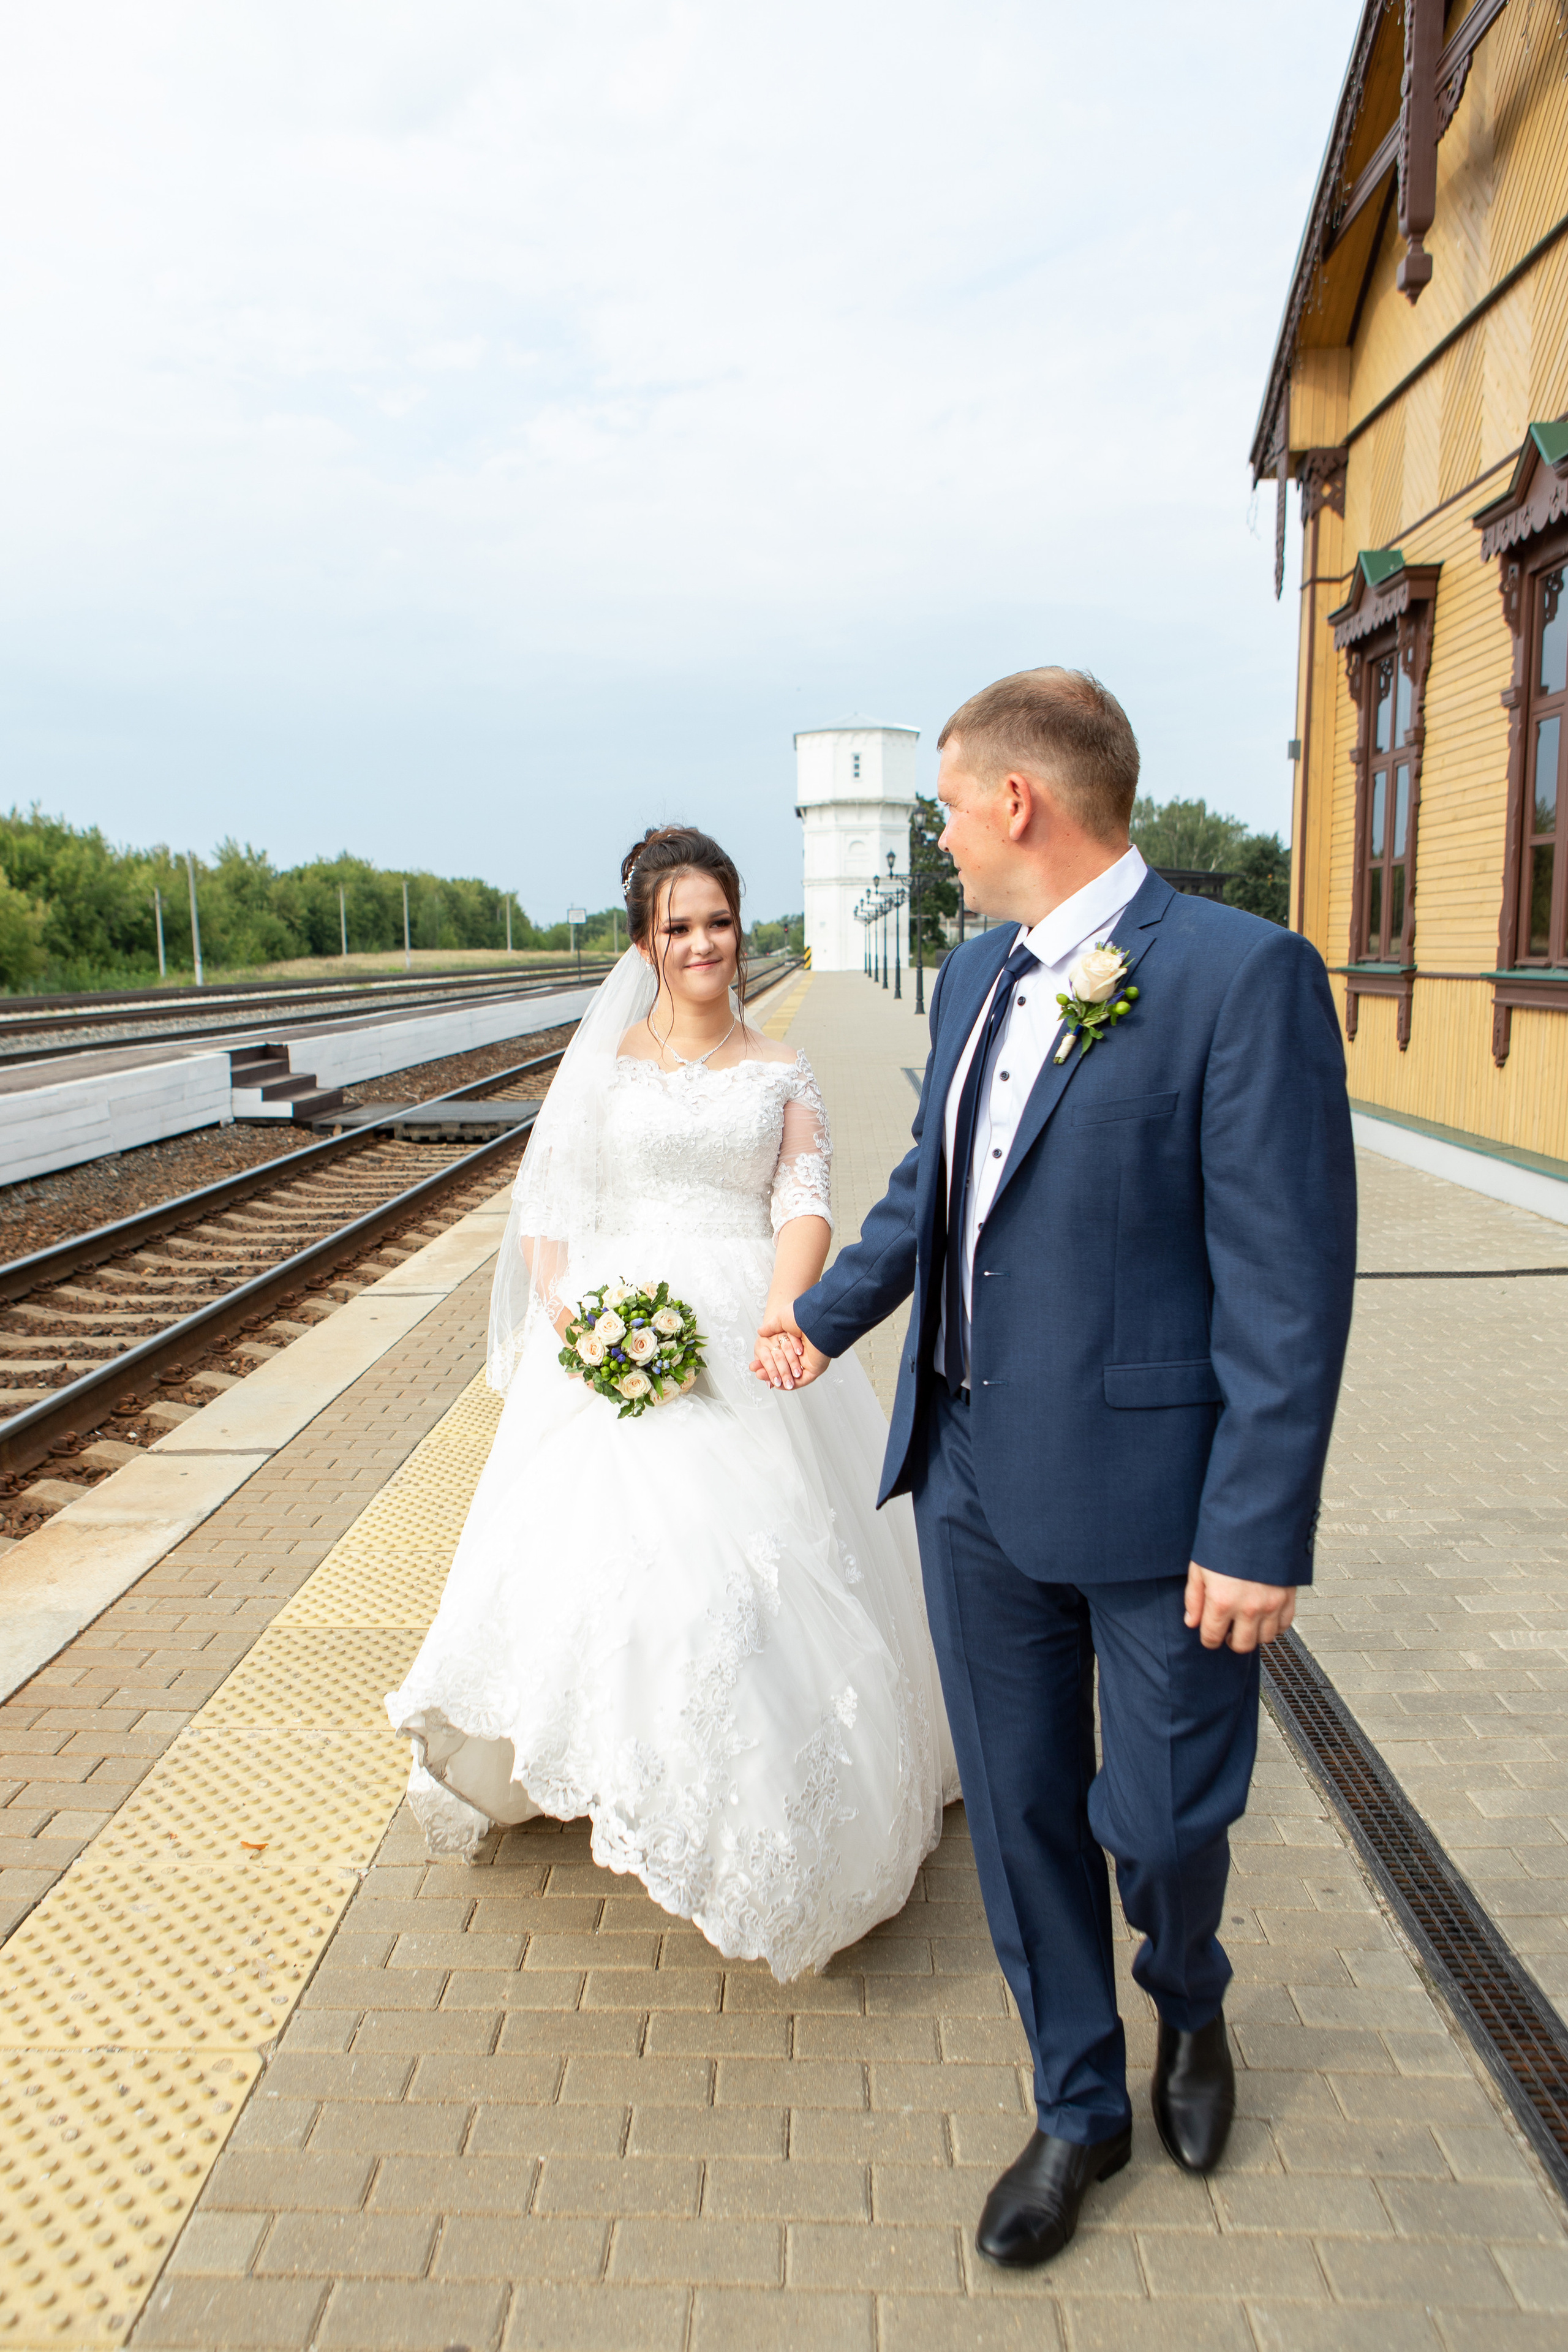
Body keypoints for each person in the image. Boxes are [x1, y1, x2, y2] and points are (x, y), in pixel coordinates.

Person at [758, 668, 1356, 2265]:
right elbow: (933, 1197)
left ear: (1018, 802)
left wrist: (1260, 1524)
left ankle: (1192, 2000)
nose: (942, 836)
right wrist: (812, 1323)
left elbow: (1289, 1289)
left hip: (1163, 1507)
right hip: (966, 1481)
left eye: (950, 805)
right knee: (1023, 1819)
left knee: (1160, 1823)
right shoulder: (968, 978)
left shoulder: (1243, 978)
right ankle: (1080, 2105)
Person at [386, 824, 957, 1980]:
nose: (703, 944)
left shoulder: (782, 1071)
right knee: (604, 1562)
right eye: (679, 926)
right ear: (647, 941)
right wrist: (577, 1319)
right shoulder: (599, 1072)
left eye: (719, 922)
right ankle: (593, 1761)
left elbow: (802, 1205)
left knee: (746, 1575)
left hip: (748, 1323)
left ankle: (741, 1810)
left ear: (740, 929)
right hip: (618, 1331)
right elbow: (550, 1215)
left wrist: (785, 1310)